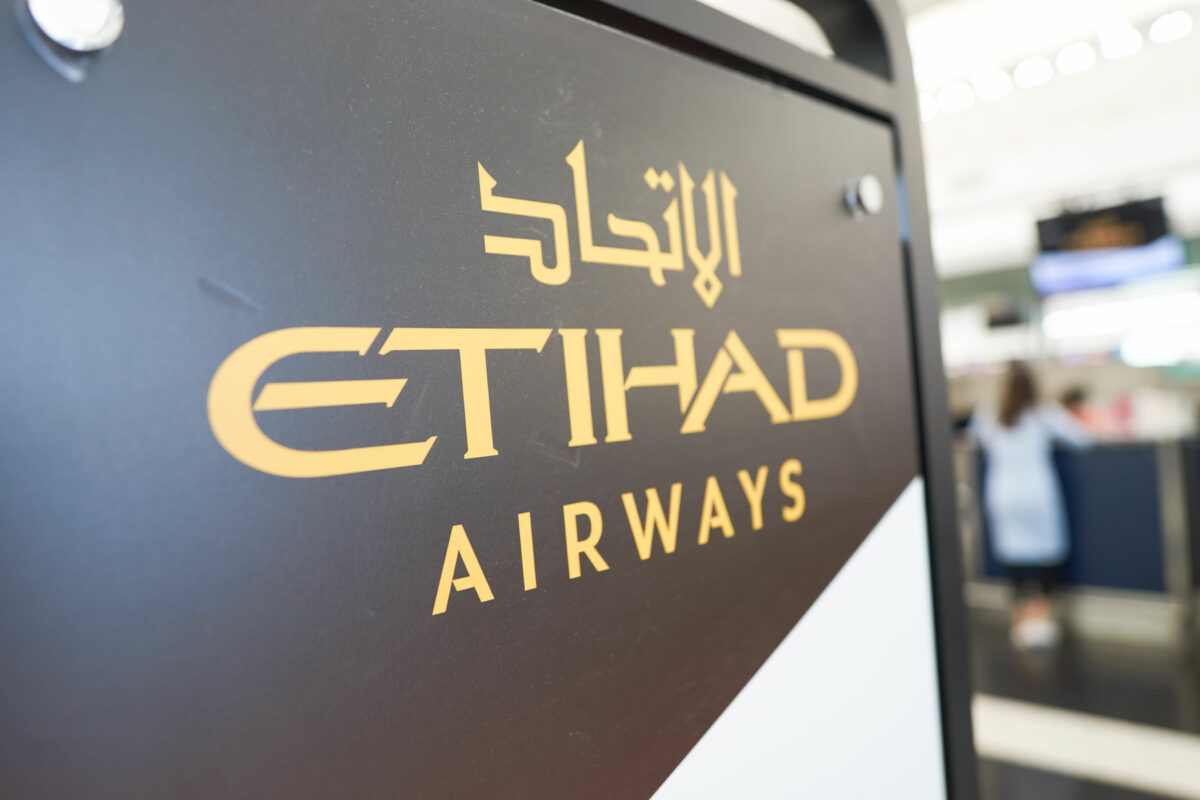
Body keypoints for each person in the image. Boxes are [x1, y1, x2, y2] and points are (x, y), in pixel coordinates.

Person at [971, 362, 1089, 651]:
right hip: (1036, 494)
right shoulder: (1044, 413)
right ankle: (1042, 620)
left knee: (1015, 560)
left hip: (1003, 495)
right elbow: (1081, 438)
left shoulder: (988, 415)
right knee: (1045, 556)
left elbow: (974, 440)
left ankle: (1020, 622)